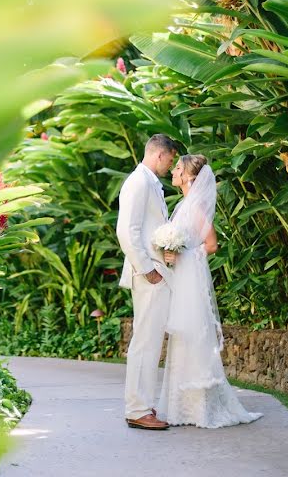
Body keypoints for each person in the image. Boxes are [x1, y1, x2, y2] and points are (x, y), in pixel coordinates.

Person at [157, 154, 263, 428]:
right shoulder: (184, 204)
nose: (173, 172)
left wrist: (183, 254)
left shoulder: (194, 208)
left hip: (190, 277)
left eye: (177, 169)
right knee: (183, 336)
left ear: (189, 176)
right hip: (181, 277)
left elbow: (212, 244)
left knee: (194, 335)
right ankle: (182, 408)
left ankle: (201, 409)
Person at [116, 134, 177, 430]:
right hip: (148, 273)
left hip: (156, 269)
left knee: (150, 341)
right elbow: (127, 231)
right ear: (159, 155)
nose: (171, 165)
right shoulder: (138, 182)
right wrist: (147, 270)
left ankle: (141, 404)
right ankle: (137, 409)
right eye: (171, 159)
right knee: (145, 341)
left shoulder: (149, 182)